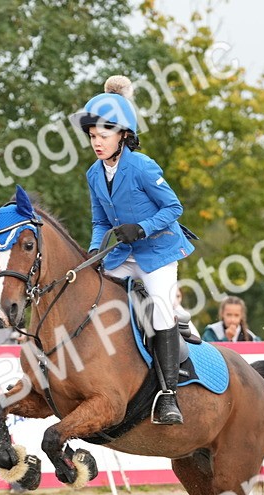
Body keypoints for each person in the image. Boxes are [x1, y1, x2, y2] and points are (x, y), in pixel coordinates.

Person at [71, 75, 195, 425]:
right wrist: (94, 253)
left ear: (123, 135)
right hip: (121, 256)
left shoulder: (142, 166)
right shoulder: (94, 174)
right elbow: (99, 222)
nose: (97, 143)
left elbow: (173, 209)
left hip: (157, 252)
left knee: (158, 308)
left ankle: (169, 394)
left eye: (104, 136)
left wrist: (141, 228)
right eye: (93, 136)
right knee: (93, 297)